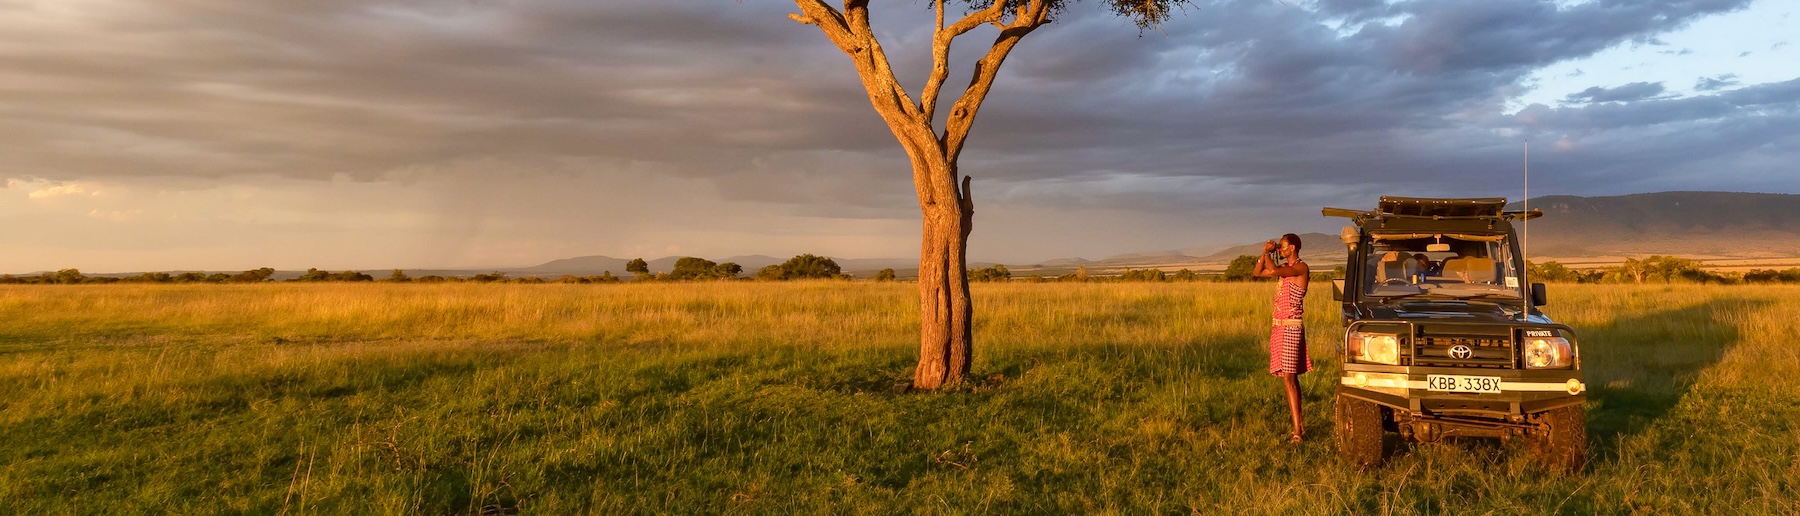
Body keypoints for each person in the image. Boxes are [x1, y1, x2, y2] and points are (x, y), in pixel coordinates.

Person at [1254, 233, 1311, 443]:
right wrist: (1263, 253)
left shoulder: (1300, 267)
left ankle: (1297, 432)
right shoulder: (1286, 270)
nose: (1281, 249)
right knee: (1290, 379)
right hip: (1279, 328)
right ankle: (1300, 425)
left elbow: (1276, 270)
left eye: (1283, 246)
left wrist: (1269, 252)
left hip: (1291, 327)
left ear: (1293, 247)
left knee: (1289, 379)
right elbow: (1257, 272)